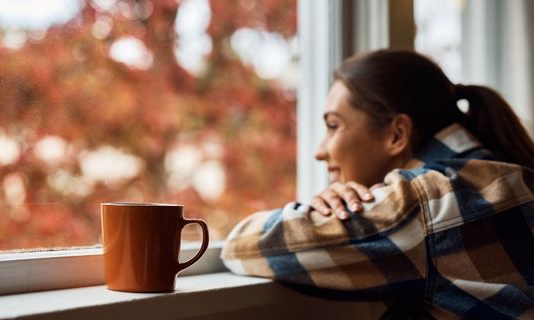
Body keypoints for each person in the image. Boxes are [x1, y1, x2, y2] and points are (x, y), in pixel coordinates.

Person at [221, 49, 534, 319]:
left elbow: (242, 245)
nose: (319, 151)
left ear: (397, 134)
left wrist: (328, 208)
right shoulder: (507, 174)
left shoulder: (423, 204)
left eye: (333, 125)